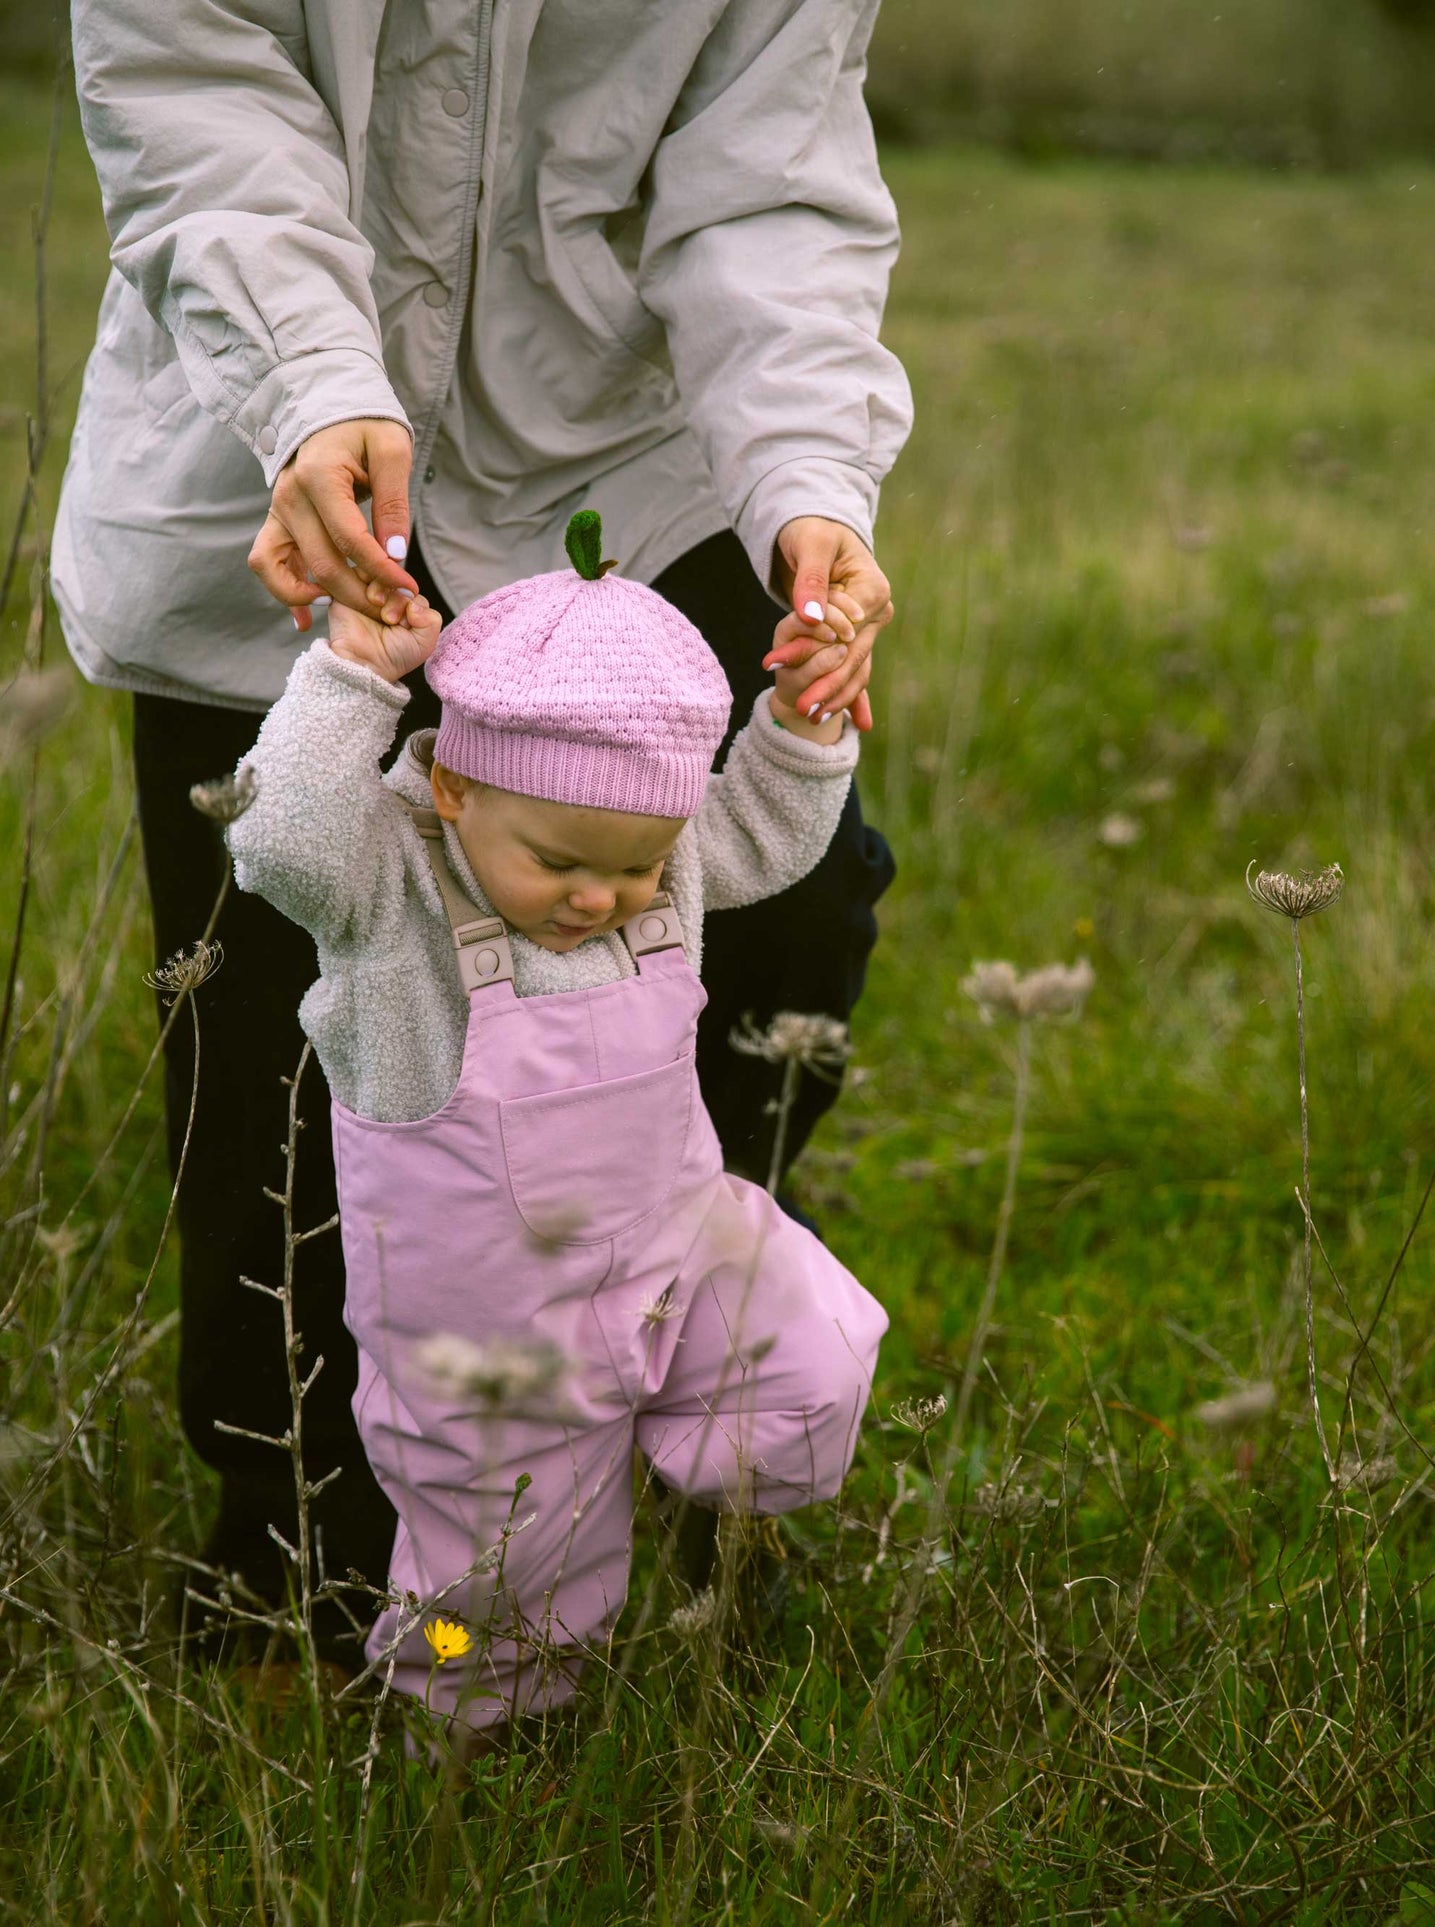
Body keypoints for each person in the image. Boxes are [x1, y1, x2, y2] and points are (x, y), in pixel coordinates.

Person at [58, 0, 912, 1656]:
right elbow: (193, 91)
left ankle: (657, 1395)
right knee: (263, 1024)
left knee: (784, 931)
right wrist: (309, 386)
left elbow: (773, 171)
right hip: (275, 448)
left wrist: (811, 485)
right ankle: (300, 1550)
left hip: (625, 465)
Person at [223, 510, 889, 1732]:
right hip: (489, 1333)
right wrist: (355, 673)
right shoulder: (389, 891)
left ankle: (669, 1475)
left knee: (813, 1359)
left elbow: (759, 828)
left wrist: (802, 723)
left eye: (637, 868)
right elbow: (277, 840)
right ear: (454, 784)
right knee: (494, 1587)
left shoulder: (662, 860)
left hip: (671, 1250)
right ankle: (454, 1722)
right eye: (561, 863)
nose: (600, 898)